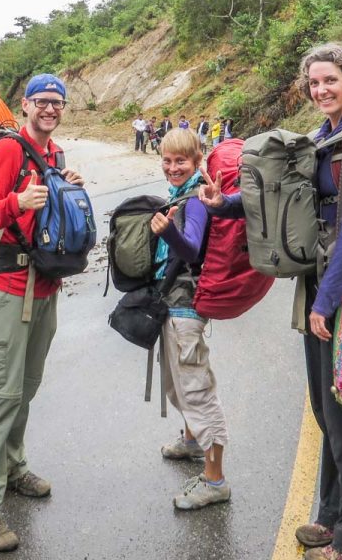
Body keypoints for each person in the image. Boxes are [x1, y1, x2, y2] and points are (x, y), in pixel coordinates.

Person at [198, 42, 342, 560]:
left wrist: (326, 303)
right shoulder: (325, 137)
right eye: (314, 83)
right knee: (329, 413)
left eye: (330, 80)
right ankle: (331, 518)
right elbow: (287, 197)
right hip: (322, 280)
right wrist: (225, 204)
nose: (321, 89)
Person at [0, 73, 84, 553]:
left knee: (24, 389)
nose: (50, 110)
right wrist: (16, 201)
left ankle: (12, 468)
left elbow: (48, 217)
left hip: (45, 285)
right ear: (25, 105)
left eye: (58, 103)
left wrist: (63, 186)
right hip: (8, 288)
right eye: (42, 102)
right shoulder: (9, 150)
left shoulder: (54, 155)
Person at [150, 128, 231, 511]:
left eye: (180, 161)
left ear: (198, 161)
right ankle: (191, 438)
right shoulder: (179, 195)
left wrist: (168, 231)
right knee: (179, 385)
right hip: (174, 303)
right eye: (167, 161)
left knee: (196, 391)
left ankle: (215, 480)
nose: (172, 167)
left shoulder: (196, 201)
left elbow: (193, 250)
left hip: (186, 308)